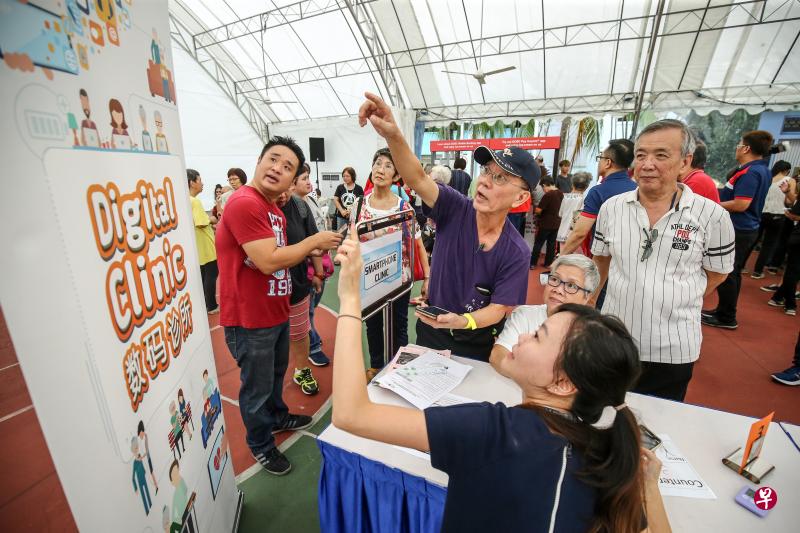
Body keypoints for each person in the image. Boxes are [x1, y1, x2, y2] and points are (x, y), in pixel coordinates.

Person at [330, 232, 671, 533]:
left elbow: (350, 413)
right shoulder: (605, 453)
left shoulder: (493, 430)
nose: (522, 338)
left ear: (563, 384)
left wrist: (349, 299)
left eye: (538, 336)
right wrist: (650, 490)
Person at [358, 93, 538, 361]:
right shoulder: (455, 207)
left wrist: (463, 321)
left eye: (500, 178)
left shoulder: (516, 252)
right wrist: (393, 135)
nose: (485, 181)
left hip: (477, 342)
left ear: (521, 197)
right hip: (432, 332)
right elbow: (418, 178)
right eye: (487, 171)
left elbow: (499, 308)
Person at [215, 136, 343, 475]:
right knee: (255, 388)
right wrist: (314, 242)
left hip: (274, 311)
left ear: (292, 180)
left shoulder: (272, 207)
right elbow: (269, 260)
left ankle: (276, 416)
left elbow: (275, 258)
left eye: (288, 167)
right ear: (257, 162)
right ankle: (260, 443)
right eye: (273, 160)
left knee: (274, 376)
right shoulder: (245, 203)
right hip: (249, 318)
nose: (278, 169)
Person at [592, 119, 735, 401]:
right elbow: (601, 261)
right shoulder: (612, 208)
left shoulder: (713, 216)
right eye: (641, 155)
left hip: (672, 347)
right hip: (612, 341)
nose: (647, 164)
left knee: (657, 428)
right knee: (604, 416)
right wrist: (590, 309)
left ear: (685, 162)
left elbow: (718, 273)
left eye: (661, 155)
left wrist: (676, 297)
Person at [352, 148, 430, 381]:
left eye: (388, 165)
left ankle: (399, 366)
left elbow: (418, 244)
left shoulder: (404, 209)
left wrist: (428, 276)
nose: (380, 169)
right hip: (369, 279)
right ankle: (376, 366)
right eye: (377, 163)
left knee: (399, 324)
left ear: (396, 176)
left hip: (399, 278)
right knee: (372, 324)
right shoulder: (358, 206)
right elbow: (352, 240)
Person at [702, 130, 774, 329]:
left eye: (738, 144)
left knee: (727, 272)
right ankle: (724, 311)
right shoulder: (757, 169)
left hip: (739, 227)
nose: (736, 147)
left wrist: (711, 204)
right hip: (744, 227)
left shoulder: (752, 172)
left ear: (746, 148)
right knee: (731, 272)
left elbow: (742, 204)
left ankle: (727, 317)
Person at [491, 254, 599, 374]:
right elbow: (498, 356)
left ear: (587, 297)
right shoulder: (524, 315)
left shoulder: (594, 335)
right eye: (555, 279)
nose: (558, 289)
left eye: (571, 285)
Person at [278, 166, 325, 395]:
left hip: (297, 283)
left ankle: (302, 369)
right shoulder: (255, 207)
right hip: (264, 291)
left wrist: (317, 273)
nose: (283, 190)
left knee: (299, 331)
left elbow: (314, 240)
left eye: (288, 182)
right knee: (269, 340)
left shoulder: (300, 206)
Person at [560, 139, 637, 257]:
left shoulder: (598, 192)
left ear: (608, 163)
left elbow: (580, 233)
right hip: (631, 255)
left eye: (600, 158)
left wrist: (561, 257)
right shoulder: (638, 189)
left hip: (602, 257)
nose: (598, 162)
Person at [297, 165, 333, 366]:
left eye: (308, 177)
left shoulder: (310, 200)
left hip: (321, 264)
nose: (309, 182)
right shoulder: (294, 206)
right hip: (308, 267)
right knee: (307, 310)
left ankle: (306, 340)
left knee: (311, 307)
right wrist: (317, 272)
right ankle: (313, 346)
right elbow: (311, 240)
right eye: (303, 178)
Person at [750, 161, 793, 279]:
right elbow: (790, 201)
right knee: (768, 245)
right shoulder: (789, 180)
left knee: (753, 240)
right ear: (787, 170)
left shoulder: (767, 178)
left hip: (761, 213)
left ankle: (741, 266)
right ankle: (757, 271)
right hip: (777, 215)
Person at [187, 169, 219, 314]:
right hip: (205, 245)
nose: (202, 183)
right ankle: (211, 305)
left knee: (204, 275)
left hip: (197, 246)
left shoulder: (184, 199)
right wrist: (212, 219)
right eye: (199, 180)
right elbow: (201, 222)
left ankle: (206, 303)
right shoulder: (195, 201)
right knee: (211, 274)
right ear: (192, 182)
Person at [767, 192, 800, 316]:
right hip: (797, 240)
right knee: (793, 272)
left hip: (796, 239)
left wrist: (790, 215)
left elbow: (795, 214)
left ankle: (779, 297)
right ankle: (788, 303)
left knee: (793, 272)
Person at [530, 176, 564, 268]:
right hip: (557, 223)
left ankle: (532, 263)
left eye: (543, 188)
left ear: (545, 185)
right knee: (551, 244)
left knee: (538, 243)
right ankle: (548, 263)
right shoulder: (561, 193)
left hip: (546, 223)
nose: (543, 190)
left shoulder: (548, 195)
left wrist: (536, 210)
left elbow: (538, 210)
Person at [556, 171, 591, 246]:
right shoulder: (584, 199)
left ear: (572, 184)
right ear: (586, 187)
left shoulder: (565, 197)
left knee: (562, 255)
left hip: (562, 232)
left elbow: (560, 214)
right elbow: (577, 218)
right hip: (574, 234)